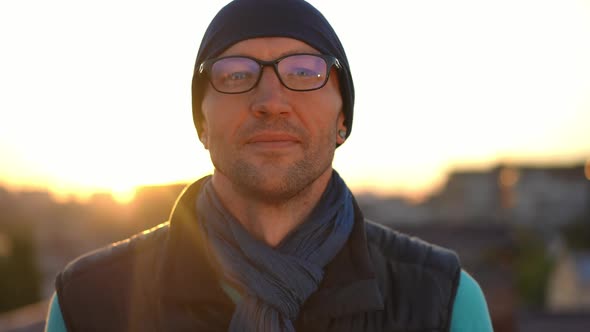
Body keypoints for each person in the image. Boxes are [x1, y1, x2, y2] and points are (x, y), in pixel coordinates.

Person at [45, 0, 493, 331]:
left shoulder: (443, 302)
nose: (271, 101)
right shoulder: (88, 303)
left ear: (343, 119)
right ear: (202, 122)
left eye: (303, 72)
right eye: (236, 74)